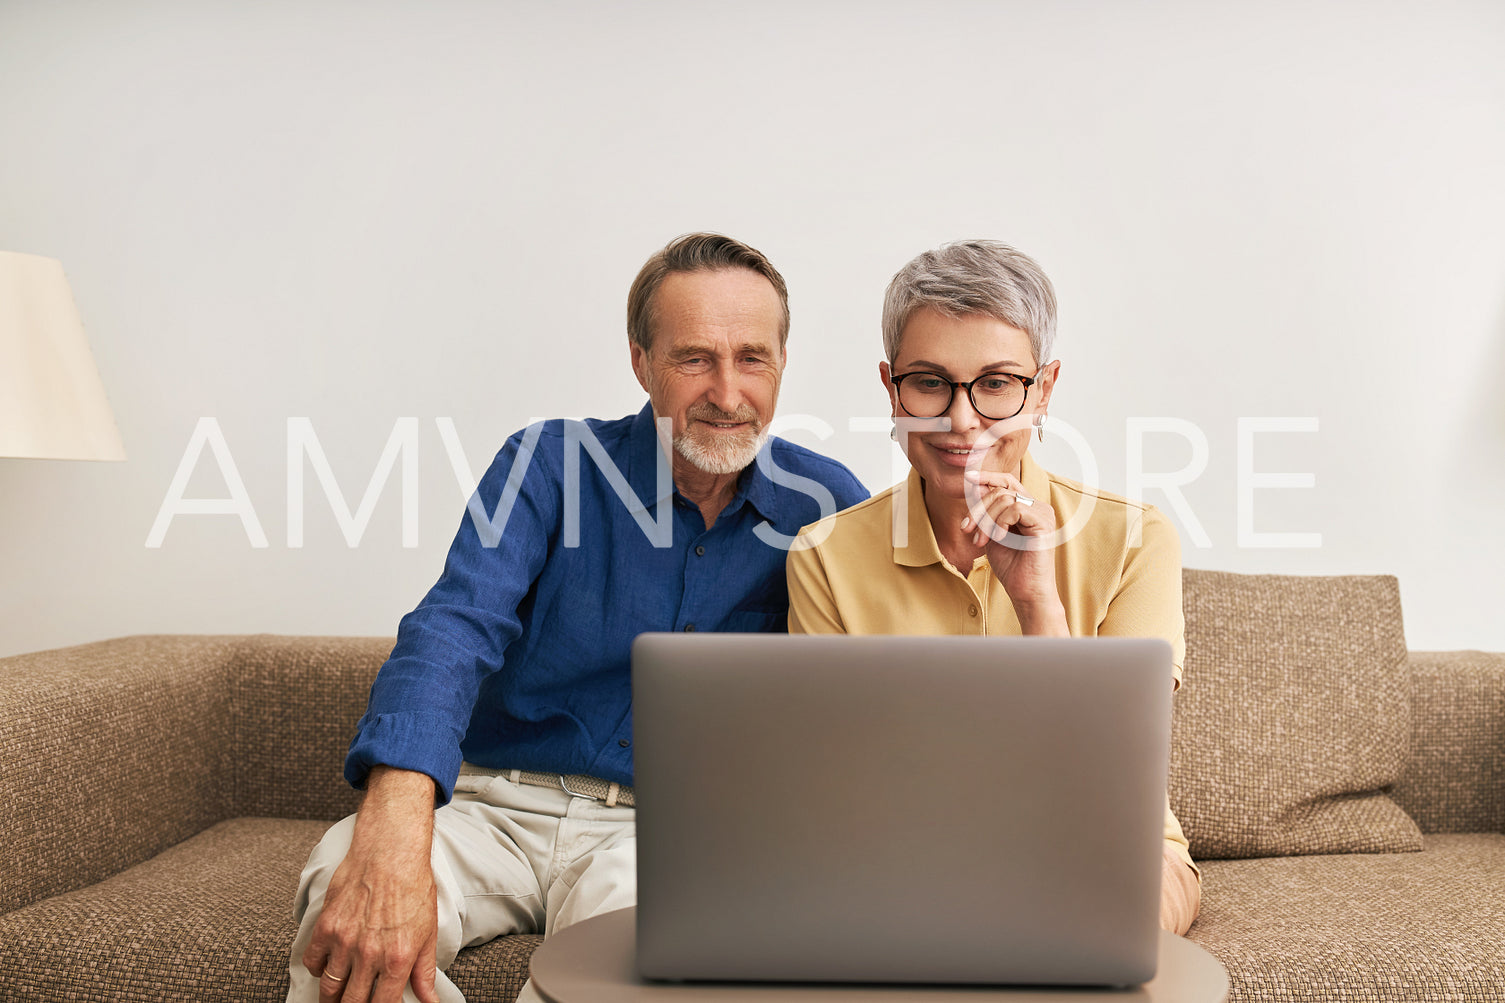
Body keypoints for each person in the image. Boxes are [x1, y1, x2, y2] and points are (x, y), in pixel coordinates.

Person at [288, 233, 868, 1003]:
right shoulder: (547, 464)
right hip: (489, 803)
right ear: (641, 360)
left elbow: (869, 692)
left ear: (782, 363)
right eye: (694, 357)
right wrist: (394, 812)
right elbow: (452, 628)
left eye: (752, 358)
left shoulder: (826, 504)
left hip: (660, 839)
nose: (728, 392)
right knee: (341, 894)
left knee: (647, 976)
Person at [785, 239, 1201, 934]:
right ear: (890, 389)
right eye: (928, 382)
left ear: (1043, 391)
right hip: (906, 853)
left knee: (1102, 919)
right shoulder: (824, 555)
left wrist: (1037, 601)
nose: (961, 419)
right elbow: (840, 789)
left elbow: (1106, 779)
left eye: (997, 383)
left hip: (1109, 846)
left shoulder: (1136, 538)